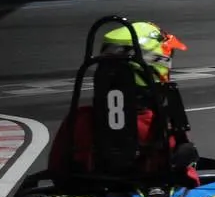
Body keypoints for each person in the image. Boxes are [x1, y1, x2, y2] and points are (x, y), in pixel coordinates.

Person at [48, 21, 200, 187]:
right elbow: (188, 178)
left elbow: (58, 171)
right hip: (148, 195)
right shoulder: (159, 122)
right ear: (157, 63)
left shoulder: (79, 119)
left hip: (88, 195)